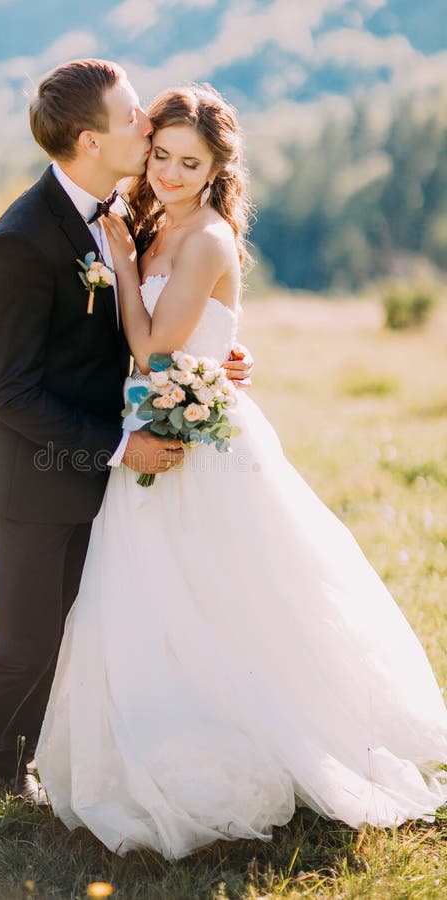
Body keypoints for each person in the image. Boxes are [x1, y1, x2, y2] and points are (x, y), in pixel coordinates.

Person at [35, 83, 447, 859]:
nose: (169, 173)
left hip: (205, 450)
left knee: (229, 598)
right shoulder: (154, 217)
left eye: (190, 163)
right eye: (159, 155)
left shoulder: (209, 239)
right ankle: (151, 739)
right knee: (149, 599)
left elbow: (156, 349)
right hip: (152, 431)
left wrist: (123, 269)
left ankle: (266, 739)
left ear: (220, 166)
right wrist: (133, 252)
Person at [0, 60, 252, 804]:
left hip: (93, 467)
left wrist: (214, 358)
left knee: (71, 634)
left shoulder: (119, 212)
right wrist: (120, 446)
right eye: (135, 115)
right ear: (90, 139)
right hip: (35, 473)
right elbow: (9, 391)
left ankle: (18, 769)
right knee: (25, 643)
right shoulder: (19, 241)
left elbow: (137, 323)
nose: (148, 123)